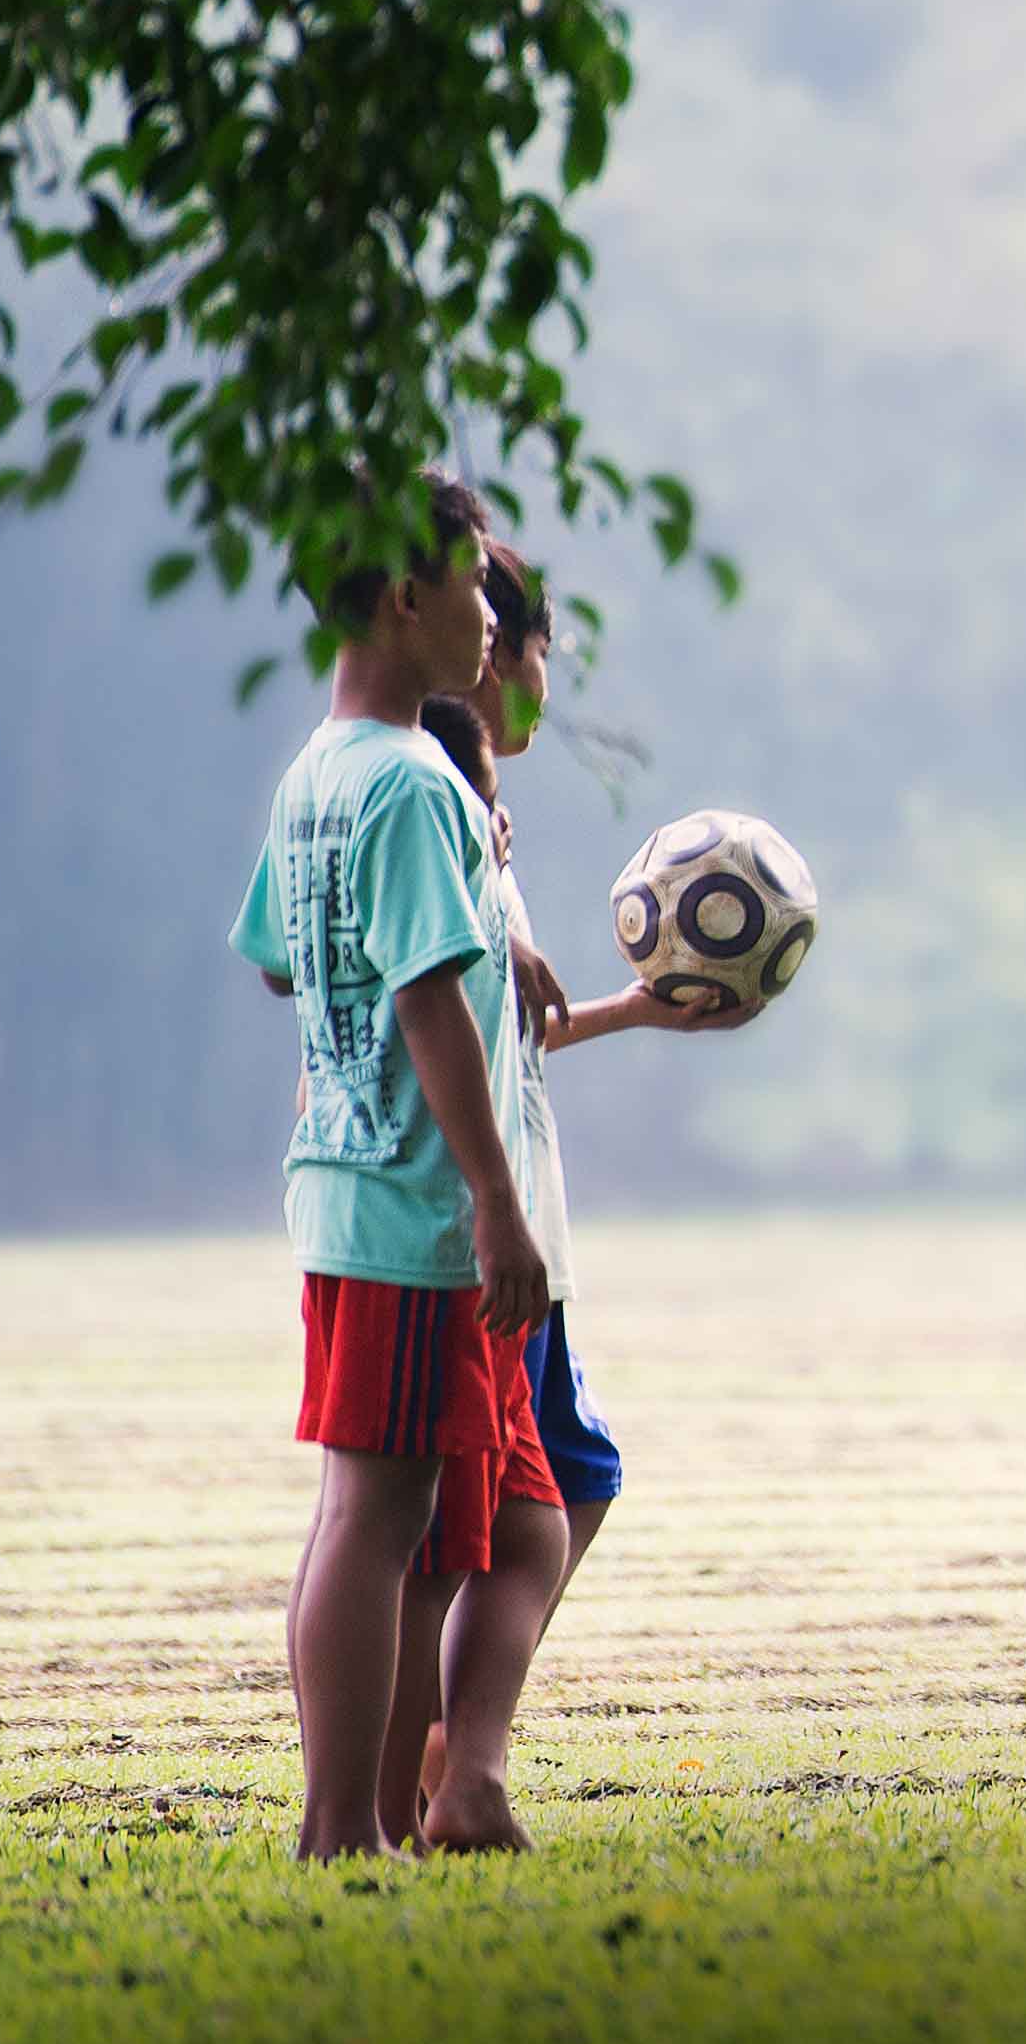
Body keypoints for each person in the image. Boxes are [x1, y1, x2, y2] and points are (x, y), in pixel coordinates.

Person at [233, 469, 555, 1858]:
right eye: (478, 583)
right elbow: (425, 994)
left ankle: (355, 1815)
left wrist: (482, 911)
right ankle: (336, 1829)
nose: (493, 613)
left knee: (382, 1508)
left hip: (337, 1184)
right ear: (406, 596)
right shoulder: (417, 780)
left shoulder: (321, 771)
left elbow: (279, 964)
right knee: (379, 1513)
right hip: (416, 1202)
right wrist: (496, 1203)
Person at [403, 555, 735, 1831]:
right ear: (493, 656)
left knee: (567, 1484)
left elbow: (502, 1030)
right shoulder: (444, 813)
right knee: (512, 1517)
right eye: (535, 652)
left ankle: (449, 1752)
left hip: (515, 1223)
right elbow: (438, 1014)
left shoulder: (475, 818)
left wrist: (635, 1013)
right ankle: (448, 1770)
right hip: (475, 1225)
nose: (540, 679)